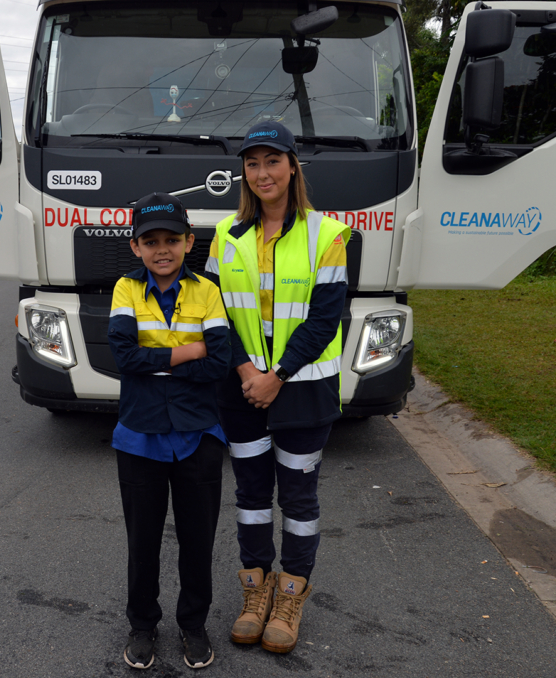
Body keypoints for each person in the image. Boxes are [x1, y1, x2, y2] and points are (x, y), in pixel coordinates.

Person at [204, 121, 350, 654]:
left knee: (298, 495)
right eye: (252, 164)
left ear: (292, 167)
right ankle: (254, 591)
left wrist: (277, 376)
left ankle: (290, 595)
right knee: (250, 494)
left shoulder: (327, 235)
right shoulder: (225, 235)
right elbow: (214, 314)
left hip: (303, 391)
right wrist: (247, 373)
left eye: (272, 162)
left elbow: (324, 318)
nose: (262, 173)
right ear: (244, 173)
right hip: (241, 390)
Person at [109, 192, 232, 670]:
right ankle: (142, 625)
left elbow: (219, 362)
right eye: (151, 240)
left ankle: (193, 625)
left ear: (189, 242)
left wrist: (157, 363)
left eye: (172, 240)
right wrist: (189, 350)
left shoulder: (206, 291)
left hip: (198, 434)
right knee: (142, 543)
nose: (163, 249)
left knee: (198, 542)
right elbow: (125, 358)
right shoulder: (125, 289)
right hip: (139, 435)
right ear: (135, 246)